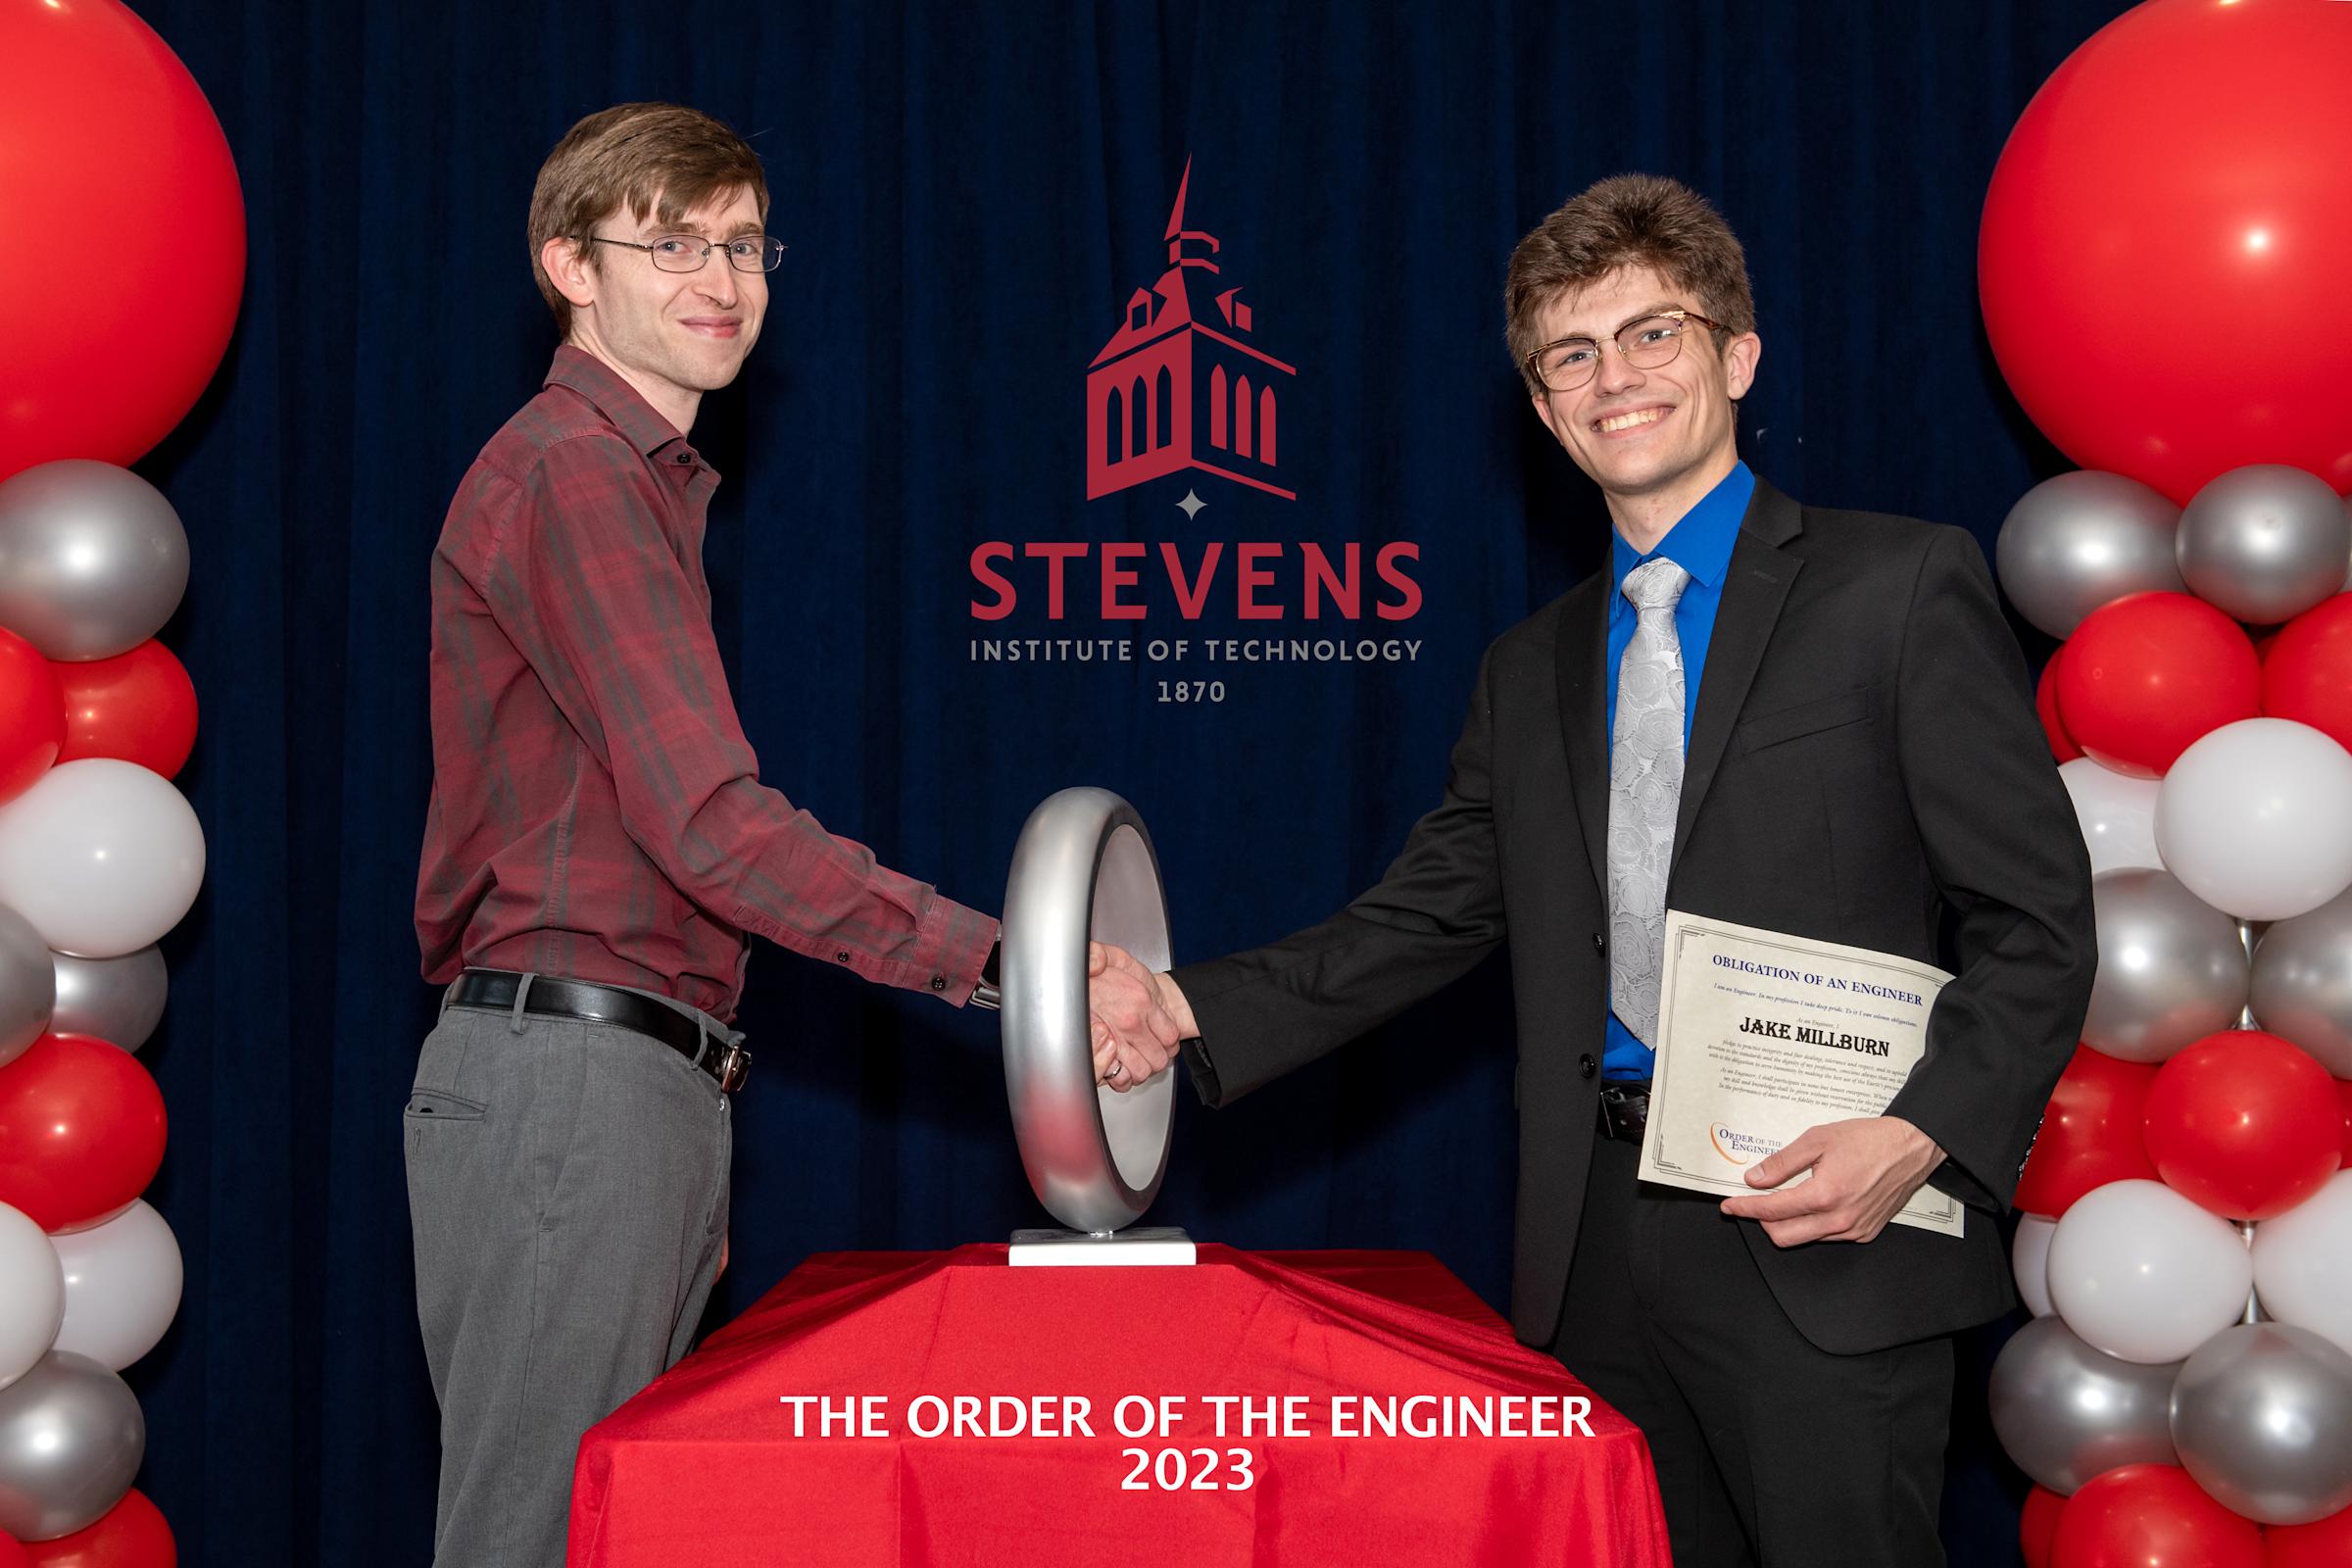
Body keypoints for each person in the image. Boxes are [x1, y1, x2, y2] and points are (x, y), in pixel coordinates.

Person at [1089, 173, 2095, 1566]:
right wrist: (1187, 1005)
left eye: (1653, 335)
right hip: (1596, 1247)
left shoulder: (1901, 585)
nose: (1613, 377)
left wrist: (1919, 1135)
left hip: (1827, 1224)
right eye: (1571, 355)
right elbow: (1428, 913)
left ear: (1737, 359)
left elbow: (2038, 921)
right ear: (1547, 411)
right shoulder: (1529, 668)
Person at [407, 103, 1025, 1567]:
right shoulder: (576, 473)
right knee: (532, 1545)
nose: (724, 279)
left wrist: (672, 1130)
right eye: (672, 240)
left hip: (623, 1083)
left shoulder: (632, 484)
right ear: (569, 263)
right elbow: (712, 827)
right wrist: (1009, 967)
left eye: (745, 244)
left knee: (600, 1538)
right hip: (578, 1086)